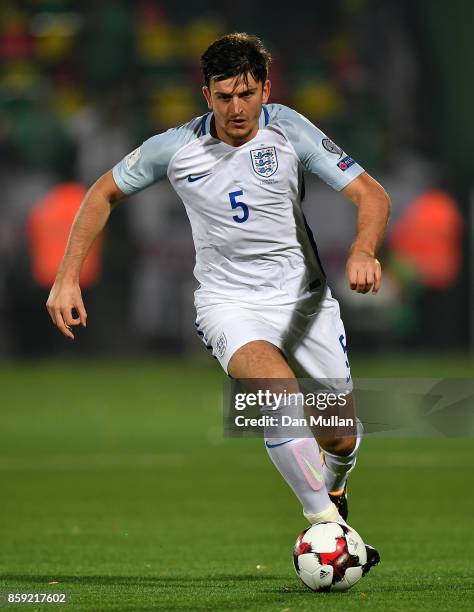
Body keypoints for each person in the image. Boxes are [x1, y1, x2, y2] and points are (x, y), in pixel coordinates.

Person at [47, 33, 390, 575]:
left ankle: (336, 488)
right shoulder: (175, 148)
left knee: (341, 435)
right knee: (273, 393)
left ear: (265, 89)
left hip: (303, 302)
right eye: (225, 96)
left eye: (247, 94)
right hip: (228, 301)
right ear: (206, 94)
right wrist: (67, 278)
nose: (237, 108)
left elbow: (371, 193)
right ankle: (325, 522)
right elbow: (101, 193)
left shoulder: (289, 129)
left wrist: (364, 250)